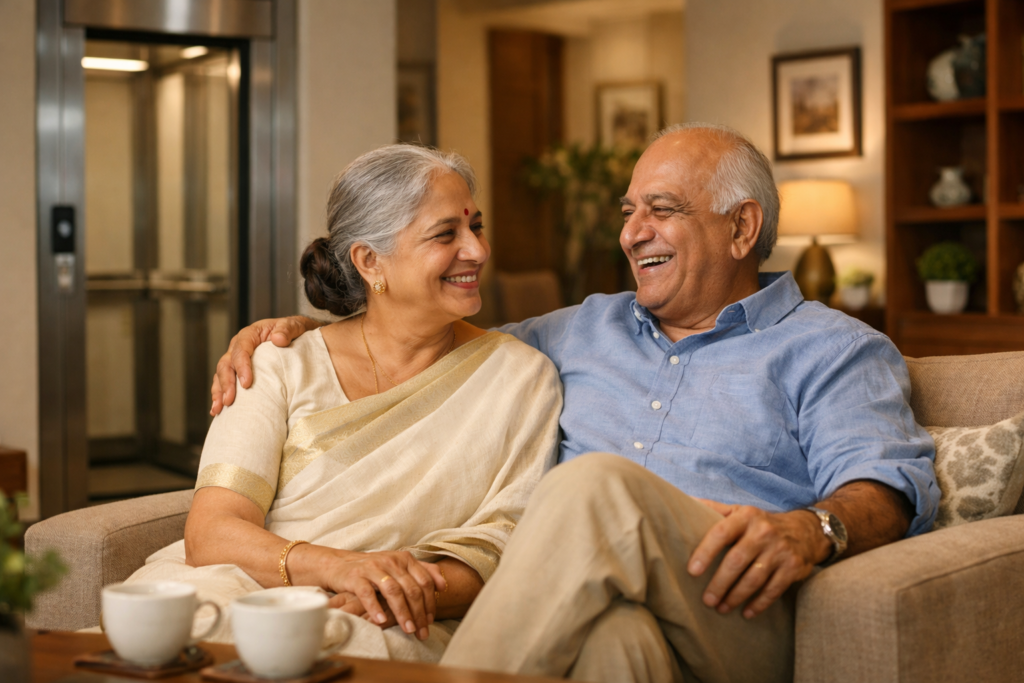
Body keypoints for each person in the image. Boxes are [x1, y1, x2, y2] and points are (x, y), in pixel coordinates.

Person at [210, 123, 939, 682]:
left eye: (662, 210)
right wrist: (305, 333)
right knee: (616, 643)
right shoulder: (578, 329)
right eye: (629, 211)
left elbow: (891, 489)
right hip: (591, 600)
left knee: (595, 486)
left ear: (742, 228)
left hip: (733, 604)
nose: (631, 232)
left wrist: (813, 529)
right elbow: (431, 345)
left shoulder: (832, 346)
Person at [121, 144, 562, 664]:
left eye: (477, 227)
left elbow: (506, 540)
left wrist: (392, 590)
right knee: (174, 625)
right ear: (369, 260)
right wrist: (337, 567)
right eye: (446, 234)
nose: (477, 250)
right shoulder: (279, 364)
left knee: (343, 645)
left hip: (393, 613)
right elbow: (211, 533)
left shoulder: (520, 377)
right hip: (245, 586)